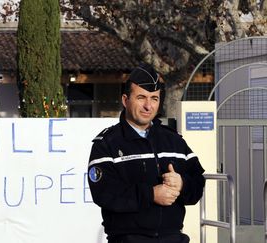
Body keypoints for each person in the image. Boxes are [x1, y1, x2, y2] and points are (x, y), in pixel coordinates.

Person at [87, 63, 205, 243]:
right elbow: (104, 193)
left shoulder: (174, 141)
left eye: (154, 98)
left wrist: (182, 184)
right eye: (141, 97)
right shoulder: (106, 144)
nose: (148, 106)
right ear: (125, 100)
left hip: (174, 238)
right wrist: (150, 195)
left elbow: (197, 183)